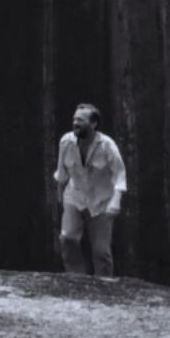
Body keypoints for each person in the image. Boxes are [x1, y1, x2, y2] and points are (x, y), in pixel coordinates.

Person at [53, 103, 127, 279]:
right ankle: (76, 279)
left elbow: (120, 174)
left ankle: (104, 286)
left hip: (101, 202)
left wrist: (116, 200)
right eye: (74, 119)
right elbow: (62, 173)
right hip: (74, 196)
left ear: (93, 124)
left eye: (80, 120)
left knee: (101, 251)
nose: (75, 123)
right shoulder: (66, 142)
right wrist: (59, 195)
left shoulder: (107, 145)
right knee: (67, 238)